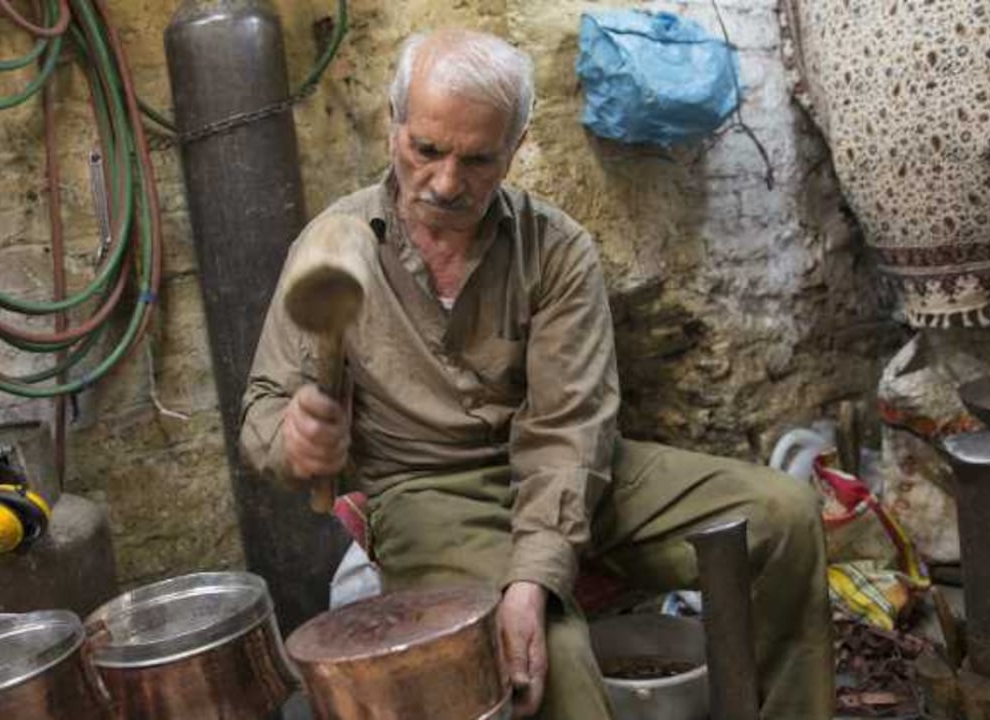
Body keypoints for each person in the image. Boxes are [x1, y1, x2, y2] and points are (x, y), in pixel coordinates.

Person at [239, 27, 833, 719]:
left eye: (478, 160)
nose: (446, 183)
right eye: (425, 150)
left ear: (515, 149)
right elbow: (262, 410)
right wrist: (291, 441)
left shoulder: (555, 251)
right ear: (392, 123)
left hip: (567, 467)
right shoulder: (333, 243)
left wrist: (532, 576)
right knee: (559, 672)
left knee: (782, 517)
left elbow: (570, 432)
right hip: (431, 489)